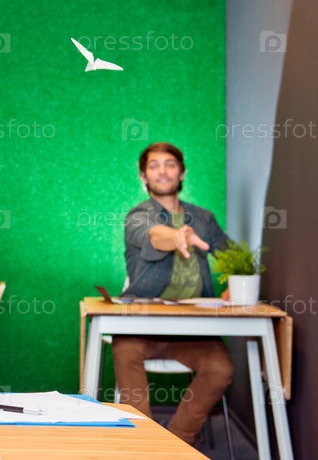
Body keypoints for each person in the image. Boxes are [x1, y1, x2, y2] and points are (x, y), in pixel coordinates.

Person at [112, 142, 234, 444]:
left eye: (169, 164)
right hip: (141, 328)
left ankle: (176, 442)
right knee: (124, 351)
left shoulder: (203, 218)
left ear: (182, 173)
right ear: (144, 176)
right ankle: (143, 445)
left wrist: (236, 281)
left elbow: (235, 256)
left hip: (192, 331)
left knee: (220, 368)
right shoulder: (138, 216)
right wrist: (176, 236)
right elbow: (154, 235)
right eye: (154, 166)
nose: (162, 171)